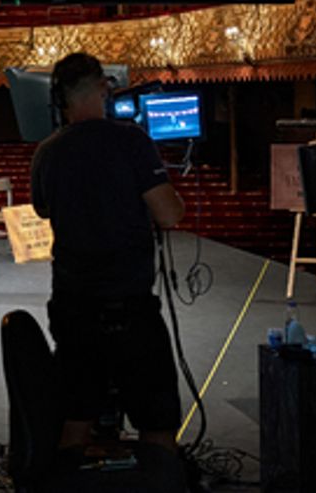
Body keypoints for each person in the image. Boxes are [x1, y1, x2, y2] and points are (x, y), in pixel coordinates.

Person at [31, 52, 186, 453]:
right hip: (131, 308)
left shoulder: (46, 152)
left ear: (59, 100)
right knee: (157, 425)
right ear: (103, 88)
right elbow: (168, 214)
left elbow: (43, 209)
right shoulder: (133, 141)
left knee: (76, 420)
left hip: (73, 307)